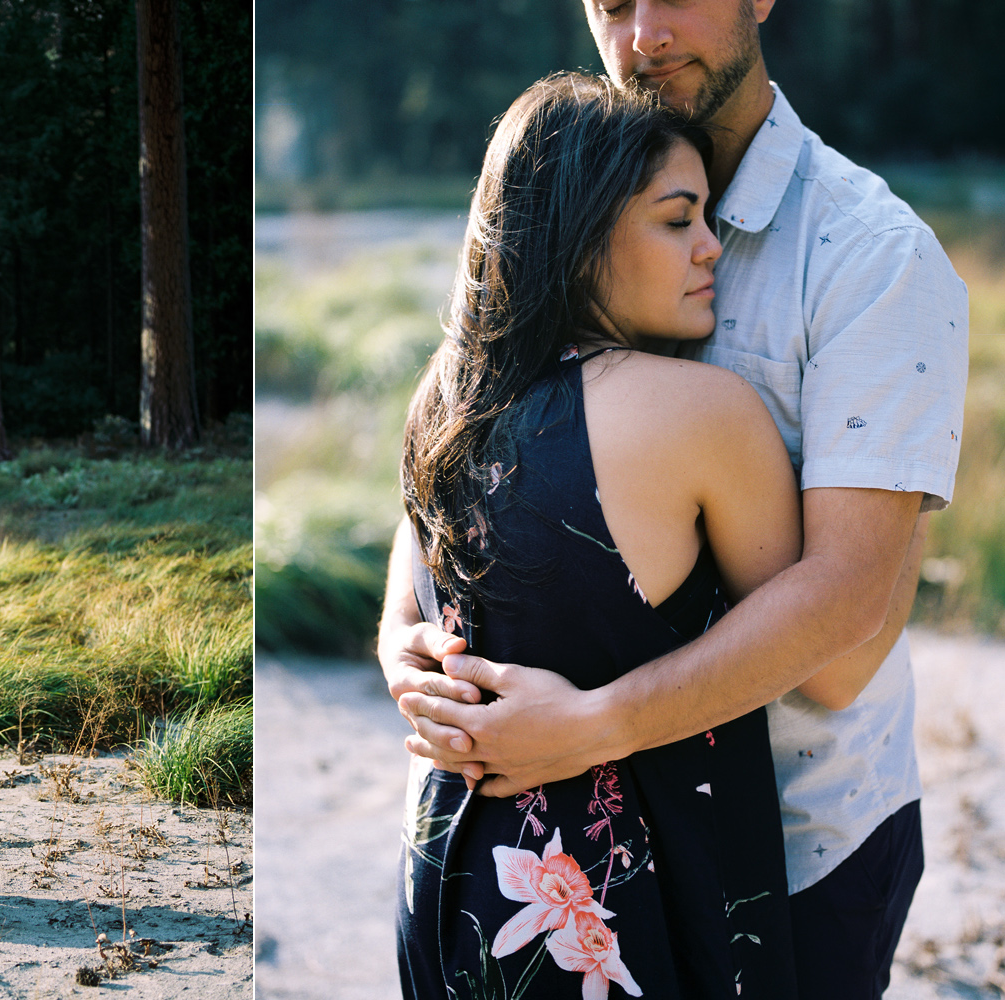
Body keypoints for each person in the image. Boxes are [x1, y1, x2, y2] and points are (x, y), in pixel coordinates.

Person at [381, 2, 968, 996]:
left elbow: (840, 631)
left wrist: (597, 722)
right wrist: (405, 645)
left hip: (795, 838)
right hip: (542, 841)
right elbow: (446, 447)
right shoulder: (562, 192)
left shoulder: (870, 257)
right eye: (609, 3)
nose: (642, 35)